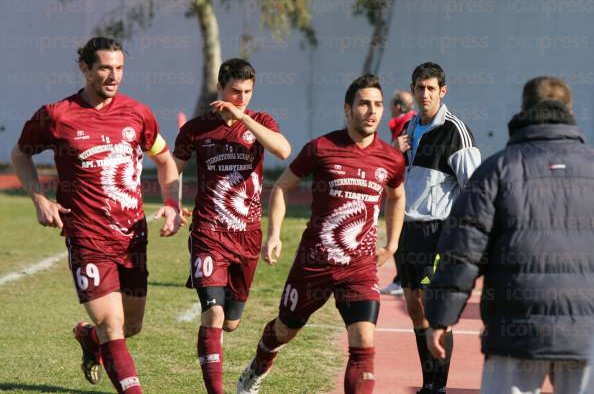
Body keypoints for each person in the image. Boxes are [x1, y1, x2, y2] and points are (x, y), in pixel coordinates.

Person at [11, 37, 182, 394]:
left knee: (131, 325)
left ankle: (89, 341)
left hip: (132, 236)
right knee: (111, 324)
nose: (113, 75)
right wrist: (39, 198)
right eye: (105, 67)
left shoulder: (138, 114)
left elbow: (165, 160)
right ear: (85, 68)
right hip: (87, 237)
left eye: (119, 68)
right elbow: (20, 154)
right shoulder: (57, 115)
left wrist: (172, 204)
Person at [236, 73, 406, 394]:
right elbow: (283, 187)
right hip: (313, 265)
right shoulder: (321, 148)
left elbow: (397, 195)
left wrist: (393, 243)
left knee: (363, 343)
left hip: (359, 269)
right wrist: (274, 235)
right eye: (364, 104)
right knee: (285, 329)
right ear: (347, 109)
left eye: (378, 105)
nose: (372, 111)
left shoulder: (391, 158)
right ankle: (260, 362)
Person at [425, 76, 594, 394]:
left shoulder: (495, 169)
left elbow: (462, 252)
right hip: (586, 333)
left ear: (522, 110)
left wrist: (440, 317)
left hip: (512, 331)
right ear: (570, 111)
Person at [172, 58, 291, 394]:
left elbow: (283, 150)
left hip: (248, 236)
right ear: (220, 88)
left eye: (248, 92)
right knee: (214, 315)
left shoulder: (260, 121)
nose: (242, 98)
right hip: (209, 233)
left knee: (233, 323)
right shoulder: (196, 129)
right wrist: (172, 203)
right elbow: (172, 169)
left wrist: (243, 119)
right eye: (235, 91)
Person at [396, 62, 481, 394]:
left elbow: (474, 190)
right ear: (413, 90)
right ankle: (427, 382)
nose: (425, 93)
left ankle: (438, 387)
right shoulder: (408, 129)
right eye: (420, 87)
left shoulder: (456, 131)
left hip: (439, 233)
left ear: (442, 91)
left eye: (431, 88)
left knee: (436, 312)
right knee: (415, 310)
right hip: (407, 230)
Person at [381, 90, 417, 296]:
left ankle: (403, 280)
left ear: (396, 106)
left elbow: (399, 155)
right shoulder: (409, 122)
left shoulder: (407, 125)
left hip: (407, 189)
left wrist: (392, 152)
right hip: (408, 186)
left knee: (400, 235)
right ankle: (403, 279)